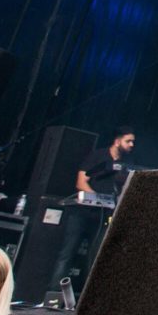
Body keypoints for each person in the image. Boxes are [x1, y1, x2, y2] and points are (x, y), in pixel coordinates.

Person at [46, 127, 136, 300]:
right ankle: (53, 296)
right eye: (128, 141)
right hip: (82, 213)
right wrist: (97, 198)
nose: (132, 145)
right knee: (67, 253)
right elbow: (81, 182)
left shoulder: (126, 163)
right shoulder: (98, 156)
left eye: (133, 142)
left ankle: (89, 297)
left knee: (96, 257)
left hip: (102, 216)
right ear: (118, 141)